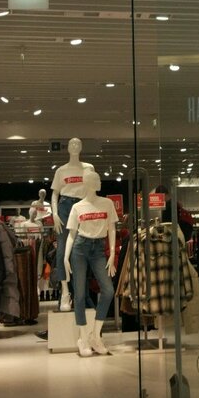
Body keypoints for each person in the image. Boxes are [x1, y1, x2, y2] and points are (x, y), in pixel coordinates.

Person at [63, 170, 118, 357]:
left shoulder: (107, 203)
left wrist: (112, 254)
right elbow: (72, 234)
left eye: (98, 178)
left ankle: (95, 335)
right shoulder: (78, 207)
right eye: (95, 179)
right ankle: (83, 338)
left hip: (99, 249)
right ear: (86, 183)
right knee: (79, 294)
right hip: (80, 248)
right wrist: (65, 257)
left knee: (108, 290)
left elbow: (111, 228)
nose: (98, 181)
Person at [51, 138, 95, 311]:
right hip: (64, 207)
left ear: (81, 147)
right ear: (68, 148)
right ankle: (65, 292)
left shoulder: (89, 168)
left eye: (78, 144)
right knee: (62, 249)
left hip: (83, 206)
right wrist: (54, 213)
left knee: (82, 249)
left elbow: (92, 190)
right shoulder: (61, 170)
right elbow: (55, 194)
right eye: (72, 144)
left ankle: (80, 293)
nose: (75, 146)